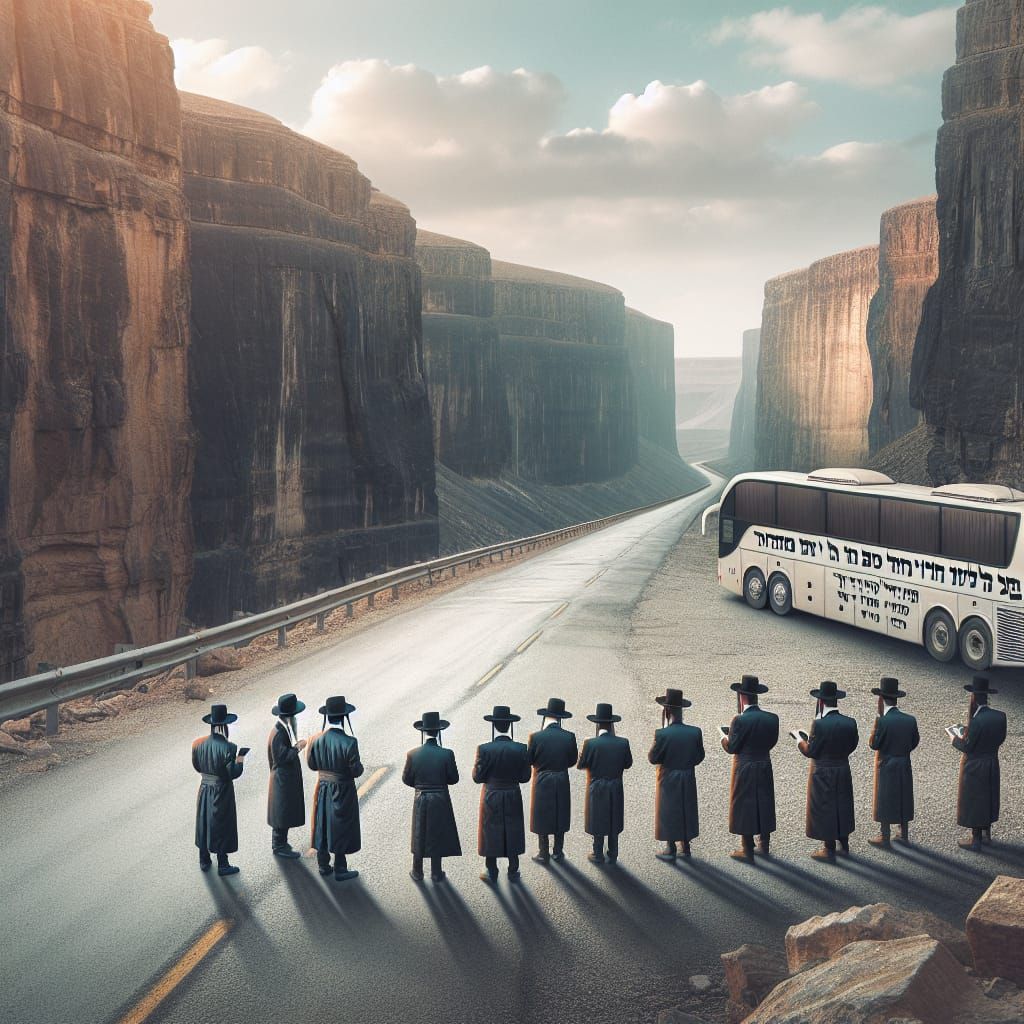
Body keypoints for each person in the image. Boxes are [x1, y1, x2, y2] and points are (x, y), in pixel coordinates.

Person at [797, 680, 859, 862]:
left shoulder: (819, 724)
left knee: (825, 807)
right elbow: (852, 745)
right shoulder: (850, 722)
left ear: (821, 702)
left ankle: (828, 848)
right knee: (842, 805)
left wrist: (800, 741)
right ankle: (844, 843)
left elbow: (811, 750)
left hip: (823, 771)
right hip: (842, 768)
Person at [721, 674, 778, 862]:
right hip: (763, 763)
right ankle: (764, 844)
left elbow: (732, 747)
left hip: (744, 765)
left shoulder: (739, 720)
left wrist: (724, 738)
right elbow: (772, 742)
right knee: (764, 801)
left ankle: (747, 848)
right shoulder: (772, 718)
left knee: (744, 804)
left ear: (741, 696)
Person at [307, 695, 363, 881]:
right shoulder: (350, 742)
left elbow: (312, 765)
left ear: (327, 717)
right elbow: (356, 771)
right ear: (344, 717)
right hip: (343, 789)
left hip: (322, 787)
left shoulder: (315, 739)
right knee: (341, 825)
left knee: (322, 822)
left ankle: (323, 865)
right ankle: (340, 867)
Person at [950, 675, 1008, 851]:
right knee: (989, 797)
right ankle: (987, 834)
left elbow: (968, 746)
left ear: (973, 697)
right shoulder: (1000, 716)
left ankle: (975, 840)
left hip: (975, 765)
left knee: (975, 800)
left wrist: (954, 738)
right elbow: (1000, 738)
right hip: (991, 761)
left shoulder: (976, 721)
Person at [473, 706, 531, 882]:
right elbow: (525, 777)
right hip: (512, 793)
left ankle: (491, 870)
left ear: (493, 726)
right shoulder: (520, 748)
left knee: (490, 830)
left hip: (491, 794)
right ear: (509, 726)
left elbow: (477, 777)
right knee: (513, 828)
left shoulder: (484, 749)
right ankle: (513, 869)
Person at [403, 711, 462, 882]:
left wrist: (421, 785)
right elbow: (454, 779)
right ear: (439, 732)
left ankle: (417, 871)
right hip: (441, 798)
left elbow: (406, 779)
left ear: (422, 732)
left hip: (421, 796)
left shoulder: (412, 754)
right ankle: (436, 872)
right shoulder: (447, 753)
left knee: (419, 832)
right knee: (438, 833)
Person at [648, 688, 705, 862]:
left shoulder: (662, 734)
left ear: (666, 711)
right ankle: (685, 846)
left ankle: (670, 847)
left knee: (669, 810)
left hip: (668, 776)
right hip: (687, 775)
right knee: (685, 808)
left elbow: (653, 758)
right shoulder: (695, 732)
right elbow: (699, 756)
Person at [192, 704, 246, 876]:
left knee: (204, 821)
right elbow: (233, 773)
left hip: (204, 787)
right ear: (225, 725)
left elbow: (196, 766)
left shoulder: (198, 744)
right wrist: (240, 758)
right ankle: (223, 864)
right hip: (221, 790)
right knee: (221, 824)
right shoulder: (229, 747)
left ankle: (204, 859)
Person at [578, 703, 633, 864]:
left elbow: (581, 765)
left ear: (597, 723)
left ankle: (597, 852)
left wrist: (583, 752)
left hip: (597, 786)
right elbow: (628, 763)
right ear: (611, 723)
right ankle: (613, 851)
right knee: (613, 817)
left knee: (598, 817)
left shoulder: (591, 743)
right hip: (615, 785)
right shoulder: (623, 742)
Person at [868, 677, 919, 848]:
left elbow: (874, 744)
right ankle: (903, 833)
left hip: (887, 764)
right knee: (903, 796)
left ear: (881, 699)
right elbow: (914, 742)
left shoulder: (883, 721)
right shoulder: (910, 719)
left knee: (885, 798)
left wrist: (877, 719)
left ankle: (884, 835)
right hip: (903, 762)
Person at [528, 697, 578, 864]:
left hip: (542, 778)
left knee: (542, 815)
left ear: (545, 718)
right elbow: (572, 761)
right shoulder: (569, 736)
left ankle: (543, 852)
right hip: (561, 778)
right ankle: (558, 851)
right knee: (560, 813)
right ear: (560, 718)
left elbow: (529, 759)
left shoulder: (535, 737)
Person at [267, 692, 308, 858]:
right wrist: (299, 747)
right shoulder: (279, 734)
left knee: (283, 811)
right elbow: (283, 757)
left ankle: (281, 842)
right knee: (282, 812)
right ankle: (279, 846)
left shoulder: (280, 729)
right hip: (281, 780)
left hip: (283, 779)